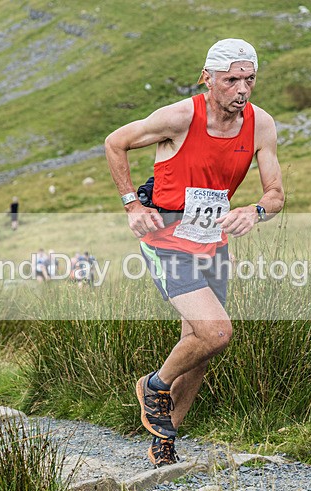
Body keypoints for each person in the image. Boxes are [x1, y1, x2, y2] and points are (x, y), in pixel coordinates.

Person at [105, 38, 284, 467]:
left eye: (249, 79)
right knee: (217, 332)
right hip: (166, 240)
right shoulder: (181, 117)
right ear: (209, 79)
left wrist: (255, 211)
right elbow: (115, 142)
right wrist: (132, 203)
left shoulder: (261, 125)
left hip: (211, 241)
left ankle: (164, 443)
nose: (242, 89)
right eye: (231, 80)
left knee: (200, 344)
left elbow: (276, 194)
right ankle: (154, 385)